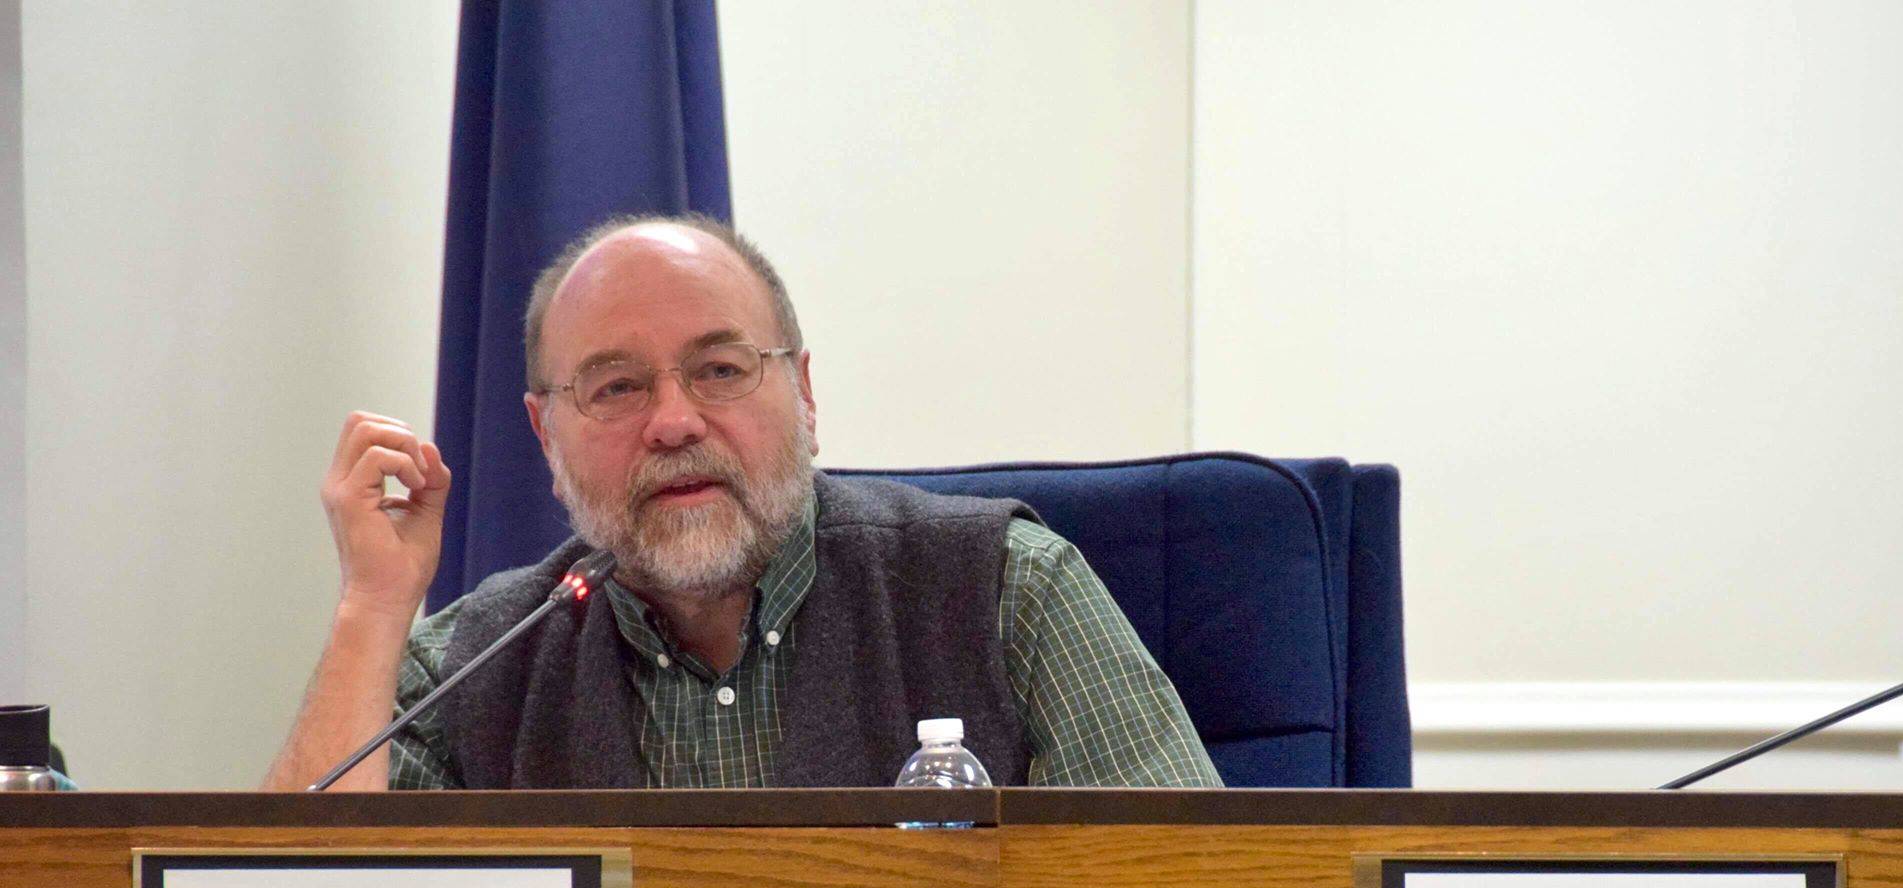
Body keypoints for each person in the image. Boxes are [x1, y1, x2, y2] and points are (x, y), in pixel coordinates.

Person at [263, 214, 1220, 791]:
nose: (674, 422)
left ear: (804, 392)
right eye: (616, 387)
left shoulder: (1010, 590)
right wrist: (372, 608)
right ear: (545, 435)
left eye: (720, 369)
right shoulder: (475, 665)